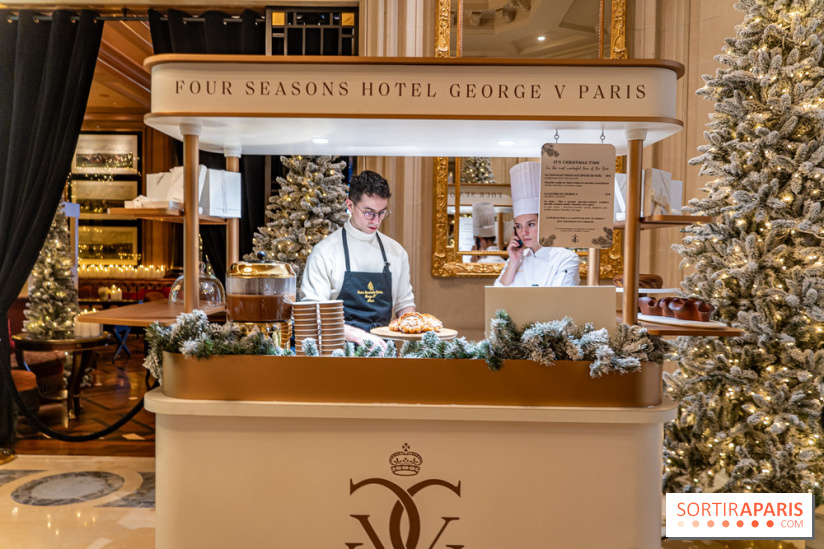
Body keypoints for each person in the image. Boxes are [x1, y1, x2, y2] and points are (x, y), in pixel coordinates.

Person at [301, 170, 415, 349]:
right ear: (350, 205)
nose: (376, 221)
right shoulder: (325, 253)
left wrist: (415, 326)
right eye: (369, 212)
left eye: (382, 213)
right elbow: (313, 314)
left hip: (383, 353)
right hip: (337, 354)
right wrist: (357, 335)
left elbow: (405, 304)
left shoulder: (396, 252)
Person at [494, 162, 580, 287]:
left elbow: (557, 299)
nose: (524, 232)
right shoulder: (517, 258)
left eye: (531, 224)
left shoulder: (566, 258)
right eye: (519, 226)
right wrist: (514, 261)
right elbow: (497, 296)